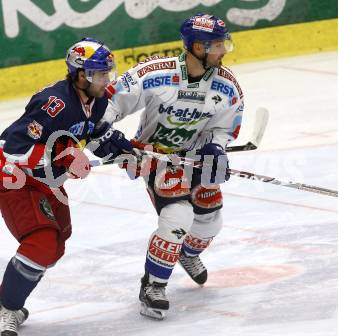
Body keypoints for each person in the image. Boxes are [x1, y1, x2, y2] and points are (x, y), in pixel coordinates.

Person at [0, 37, 132, 336]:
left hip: (44, 179)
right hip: (14, 176)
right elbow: (13, 149)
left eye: (107, 73)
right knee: (41, 243)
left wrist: (127, 151)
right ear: (79, 74)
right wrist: (64, 158)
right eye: (99, 74)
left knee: (57, 242)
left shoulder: (97, 99)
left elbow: (97, 135)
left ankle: (5, 301)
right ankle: (5, 311)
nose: (106, 80)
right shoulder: (55, 103)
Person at [102, 13, 244, 319]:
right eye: (216, 46)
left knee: (210, 220)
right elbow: (109, 104)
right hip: (156, 158)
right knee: (178, 216)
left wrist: (216, 149)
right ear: (195, 46)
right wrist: (108, 134)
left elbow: (224, 125)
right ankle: (153, 285)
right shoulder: (153, 73)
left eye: (223, 45)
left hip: (194, 157)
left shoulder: (226, 85)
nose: (222, 52)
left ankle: (186, 253)